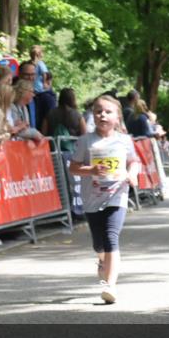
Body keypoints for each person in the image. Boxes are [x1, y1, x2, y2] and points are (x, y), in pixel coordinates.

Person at [69, 94, 140, 304]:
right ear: (93, 115)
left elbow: (134, 161)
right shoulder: (85, 141)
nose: (102, 115)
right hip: (92, 197)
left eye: (108, 112)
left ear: (117, 117)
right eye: (98, 111)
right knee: (98, 243)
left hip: (117, 195)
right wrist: (90, 170)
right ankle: (102, 260)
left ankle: (110, 286)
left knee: (111, 237)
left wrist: (132, 174)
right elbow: (73, 168)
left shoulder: (124, 140)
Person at [44, 87, 87, 153]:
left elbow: (44, 133)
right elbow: (84, 135)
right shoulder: (78, 115)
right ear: (73, 99)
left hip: (53, 152)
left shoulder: (50, 113)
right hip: (73, 153)